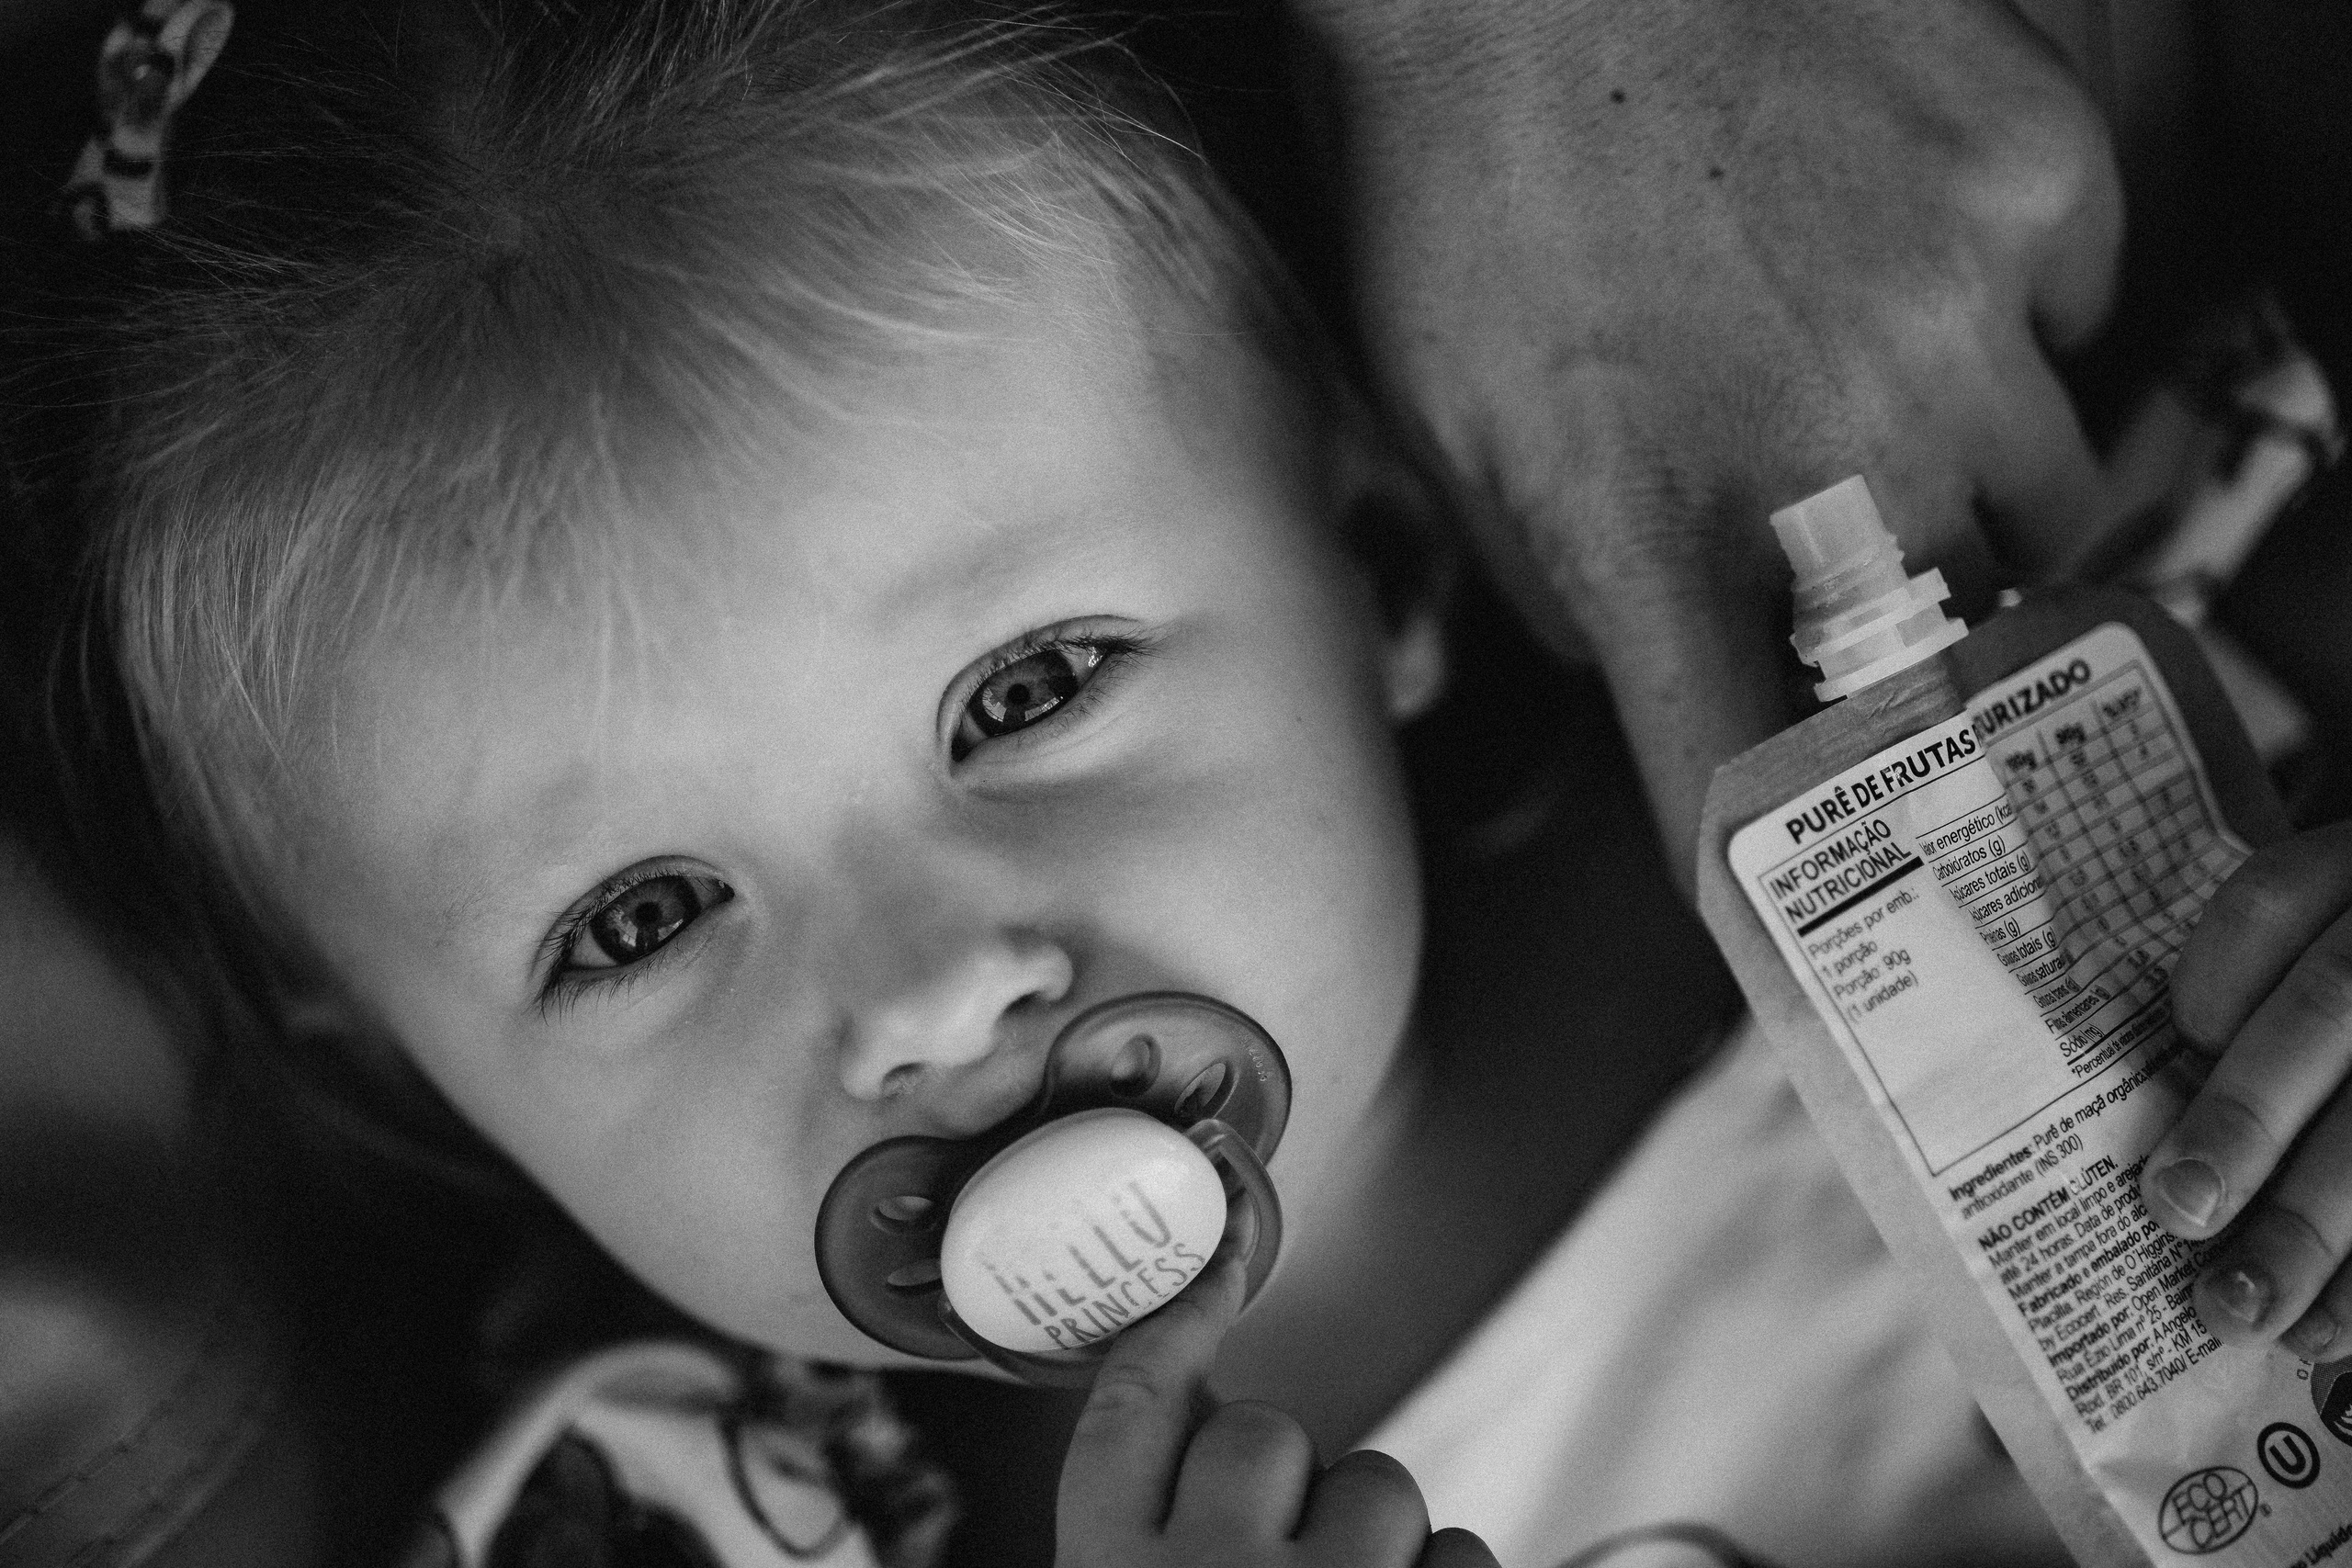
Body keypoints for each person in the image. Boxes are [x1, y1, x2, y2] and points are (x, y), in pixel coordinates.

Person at [31, 1, 2352, 1565]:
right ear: (385, 1043)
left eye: (1025, 691)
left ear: (1381, 555)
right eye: (633, 919)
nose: (931, 995)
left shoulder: (2017, 750)